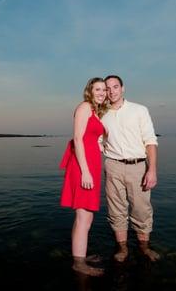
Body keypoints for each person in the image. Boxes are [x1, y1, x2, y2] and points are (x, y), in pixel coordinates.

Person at [101, 74, 160, 262]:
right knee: (116, 210)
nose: (111, 91)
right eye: (107, 88)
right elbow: (98, 142)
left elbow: (150, 141)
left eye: (115, 87)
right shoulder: (101, 114)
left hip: (138, 166)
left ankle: (144, 248)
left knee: (141, 210)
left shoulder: (139, 110)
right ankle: (123, 249)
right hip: (112, 166)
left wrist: (152, 170)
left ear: (123, 88)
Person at [59, 77, 109, 276]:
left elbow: (91, 139)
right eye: (97, 89)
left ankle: (80, 255)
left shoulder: (96, 111)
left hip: (91, 164)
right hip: (83, 166)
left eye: (104, 90)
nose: (102, 93)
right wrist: (86, 171)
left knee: (87, 216)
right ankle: (78, 264)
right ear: (89, 90)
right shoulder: (85, 107)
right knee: (82, 216)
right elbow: (78, 139)